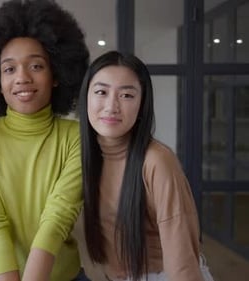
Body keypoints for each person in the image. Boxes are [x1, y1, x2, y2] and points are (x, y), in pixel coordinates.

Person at [0, 1, 90, 281]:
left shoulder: (78, 136)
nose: (22, 78)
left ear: (56, 75)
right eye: (9, 69)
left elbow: (59, 216)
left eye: (36, 66)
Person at [78, 50, 214, 281]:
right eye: (101, 92)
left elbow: (181, 260)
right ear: (86, 98)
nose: (111, 106)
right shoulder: (81, 154)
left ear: (142, 105)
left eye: (127, 95)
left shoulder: (157, 160)